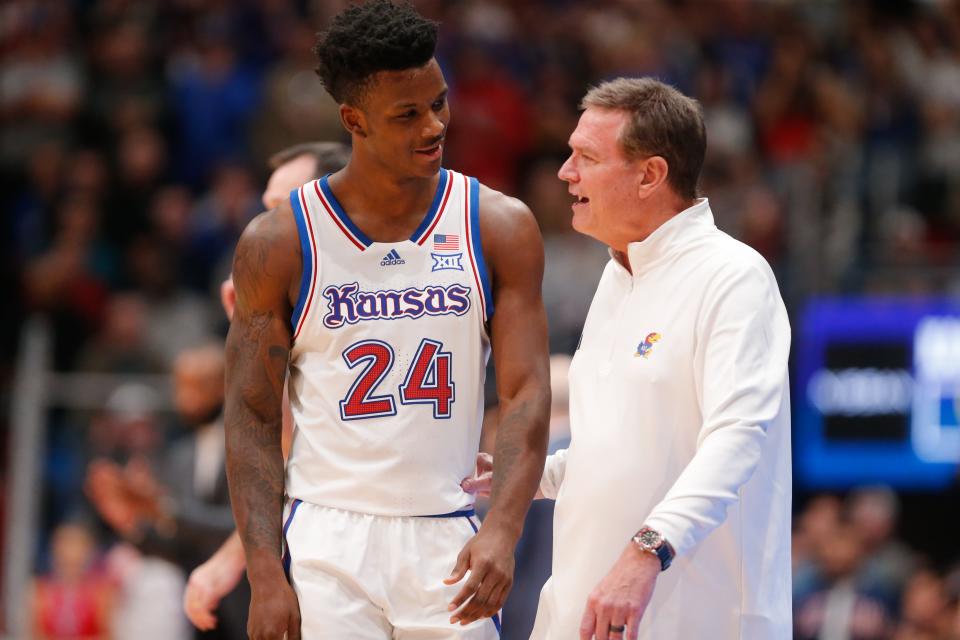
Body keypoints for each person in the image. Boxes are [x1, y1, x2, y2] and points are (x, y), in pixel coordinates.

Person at [224, 2, 550, 639]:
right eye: (407, 114)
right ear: (354, 121)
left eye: (439, 103)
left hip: (447, 531)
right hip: (327, 535)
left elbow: (525, 391)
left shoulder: (498, 226)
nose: (434, 126)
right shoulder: (281, 240)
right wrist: (265, 573)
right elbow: (251, 413)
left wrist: (504, 529)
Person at [534, 77, 792, 639]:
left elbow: (737, 435)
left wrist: (647, 550)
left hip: (696, 615)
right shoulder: (615, 275)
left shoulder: (733, 275)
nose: (565, 172)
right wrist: (527, 473)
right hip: (583, 609)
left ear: (650, 174)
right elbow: (624, 449)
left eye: (586, 157)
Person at [183, 140, 350, 632]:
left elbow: (289, 443)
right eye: (266, 209)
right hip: (326, 548)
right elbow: (283, 448)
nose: (265, 225)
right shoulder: (287, 297)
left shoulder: (378, 295)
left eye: (282, 208)